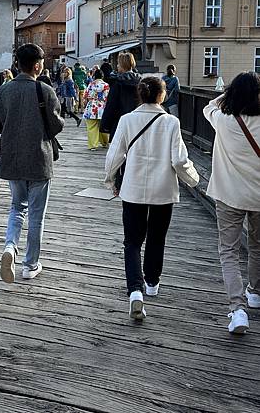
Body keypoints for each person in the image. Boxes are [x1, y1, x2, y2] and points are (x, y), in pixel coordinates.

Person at [105, 76, 199, 321]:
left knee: (132, 242)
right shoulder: (171, 122)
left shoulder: (127, 120)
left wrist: (111, 180)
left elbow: (115, 155)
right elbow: (179, 160)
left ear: (140, 94)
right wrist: (194, 180)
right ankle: (152, 283)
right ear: (161, 95)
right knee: (157, 237)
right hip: (163, 189)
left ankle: (135, 291)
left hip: (133, 188)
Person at [0, 43, 64, 283]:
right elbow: (56, 124)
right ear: (37, 66)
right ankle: (30, 264)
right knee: (36, 215)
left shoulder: (4, 91)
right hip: (39, 160)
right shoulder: (45, 90)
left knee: (16, 207)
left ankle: (10, 247)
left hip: (12, 158)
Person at [203, 71, 260, 334]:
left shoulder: (224, 120)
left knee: (229, 250)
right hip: (258, 196)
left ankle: (237, 309)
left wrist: (227, 94)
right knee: (257, 246)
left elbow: (208, 106)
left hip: (229, 194)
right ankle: (255, 292)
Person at [100, 52, 141, 139]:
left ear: (122, 65)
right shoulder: (139, 81)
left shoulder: (117, 82)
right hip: (137, 121)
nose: (117, 66)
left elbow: (111, 104)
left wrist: (105, 125)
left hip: (119, 120)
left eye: (118, 63)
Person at [82, 69, 110, 150]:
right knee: (103, 126)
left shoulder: (91, 84)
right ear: (102, 76)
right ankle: (105, 142)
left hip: (91, 107)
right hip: (102, 107)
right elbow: (107, 97)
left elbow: (85, 96)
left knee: (91, 127)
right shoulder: (106, 85)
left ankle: (93, 145)